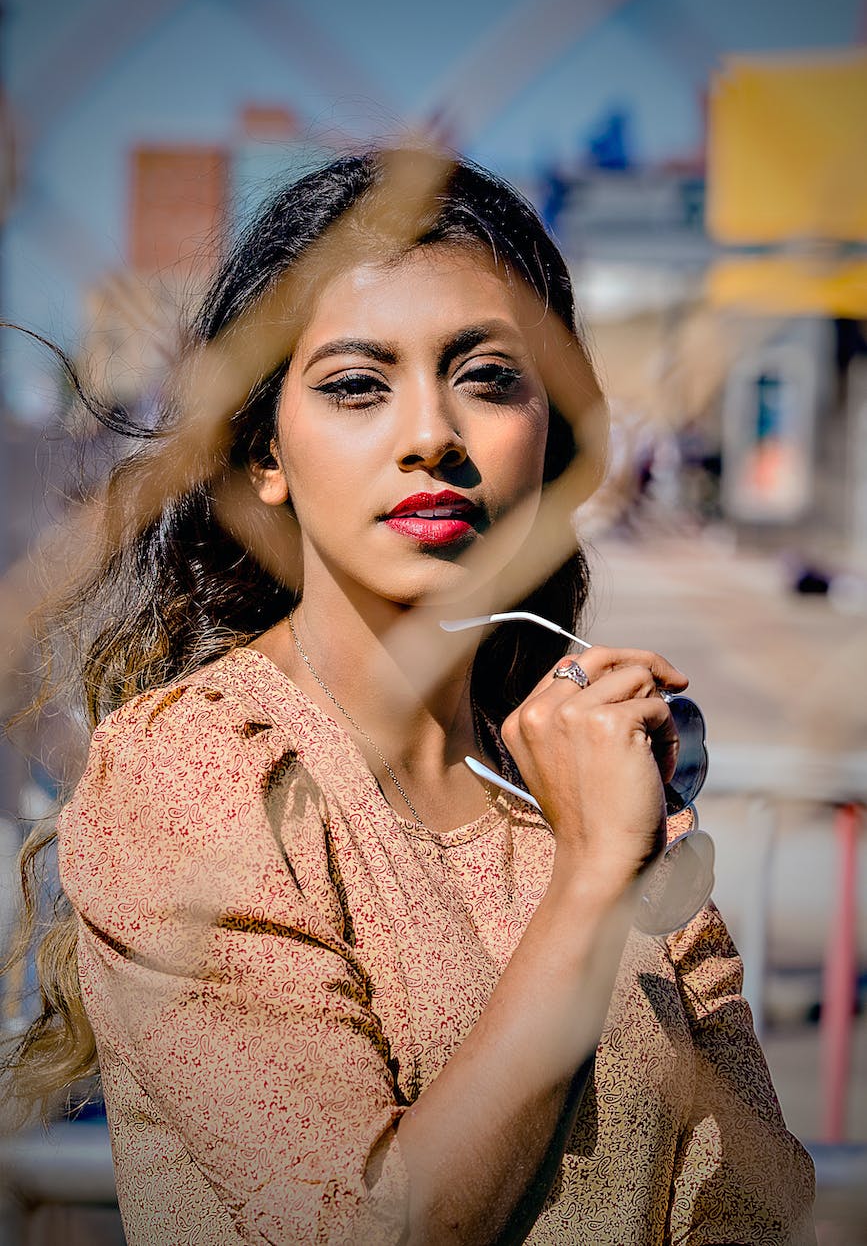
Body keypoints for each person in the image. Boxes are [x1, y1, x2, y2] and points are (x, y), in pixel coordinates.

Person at [4, 148, 815, 1245]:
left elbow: (762, 1197)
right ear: (263, 460)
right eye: (355, 385)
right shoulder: (200, 771)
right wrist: (589, 882)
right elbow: (369, 1224)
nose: (433, 435)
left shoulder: (581, 763)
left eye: (487, 378)